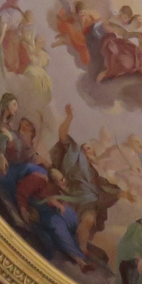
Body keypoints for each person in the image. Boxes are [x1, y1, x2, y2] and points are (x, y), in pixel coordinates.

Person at [50, 104, 122, 253]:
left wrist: (122, 193)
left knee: (89, 220)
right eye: (87, 147)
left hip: (89, 202)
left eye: (92, 149)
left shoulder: (93, 173)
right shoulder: (74, 154)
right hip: (73, 194)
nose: (90, 150)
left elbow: (105, 187)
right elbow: (62, 134)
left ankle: (81, 248)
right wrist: (69, 117)